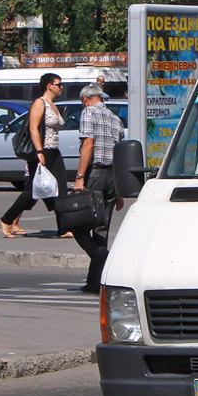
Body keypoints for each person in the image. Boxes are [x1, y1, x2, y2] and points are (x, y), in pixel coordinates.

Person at [0, 73, 69, 238]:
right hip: (42, 150)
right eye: (59, 84)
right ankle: (7, 220)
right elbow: (33, 128)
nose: (61, 87)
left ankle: (64, 228)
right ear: (49, 85)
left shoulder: (53, 104)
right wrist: (39, 151)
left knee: (61, 189)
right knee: (32, 190)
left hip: (54, 150)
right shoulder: (40, 103)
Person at [73, 84, 125, 293]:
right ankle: (95, 282)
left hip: (94, 173)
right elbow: (120, 154)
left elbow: (88, 144)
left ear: (86, 99)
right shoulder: (115, 118)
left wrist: (79, 177)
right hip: (113, 176)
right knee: (101, 228)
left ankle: (100, 256)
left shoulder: (88, 112)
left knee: (78, 224)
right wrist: (119, 190)